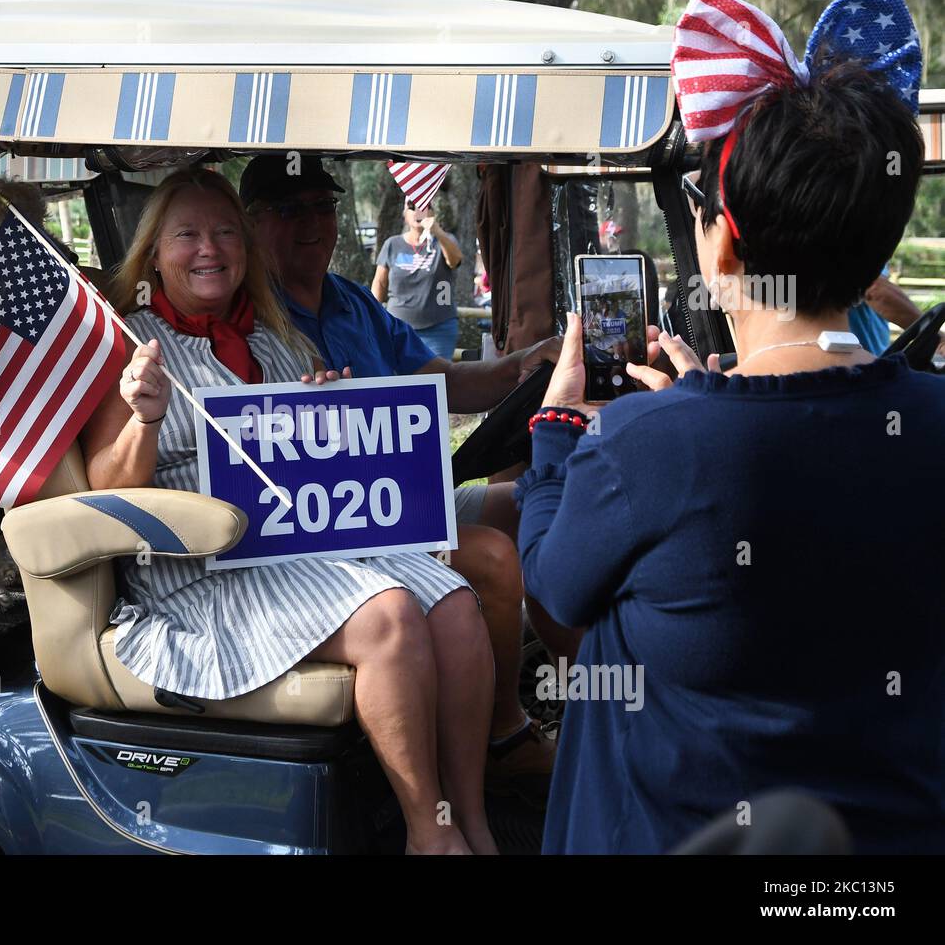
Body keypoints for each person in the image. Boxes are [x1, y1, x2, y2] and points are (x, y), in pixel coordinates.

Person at [517, 53, 945, 853]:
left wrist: (558, 435)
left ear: (721, 251)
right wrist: (706, 405)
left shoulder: (649, 444)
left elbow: (556, 588)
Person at [80, 168, 498, 854]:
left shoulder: (273, 336)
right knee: (390, 616)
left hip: (296, 547)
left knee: (453, 606)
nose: (208, 248)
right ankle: (430, 834)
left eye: (223, 233)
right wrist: (144, 419)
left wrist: (325, 411)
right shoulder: (130, 343)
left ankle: (472, 822)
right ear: (155, 252)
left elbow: (320, 467)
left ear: (245, 247)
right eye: (187, 234)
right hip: (200, 571)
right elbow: (108, 484)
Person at [240, 153, 567, 799]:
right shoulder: (255, 322)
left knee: (539, 508)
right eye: (290, 210)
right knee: (497, 559)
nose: (313, 223)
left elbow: (433, 378)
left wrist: (520, 366)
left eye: (322, 207)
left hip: (413, 500)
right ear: (253, 225)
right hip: (341, 532)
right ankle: (506, 737)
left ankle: (601, 713)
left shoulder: (353, 299)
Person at [372, 200, 463, 360]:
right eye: (411, 207)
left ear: (432, 213)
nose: (417, 211)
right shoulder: (392, 244)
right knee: (400, 381)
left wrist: (437, 232)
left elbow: (455, 261)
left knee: (437, 381)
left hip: (439, 329)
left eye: (423, 206)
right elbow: (379, 283)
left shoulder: (445, 240)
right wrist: (372, 317)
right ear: (404, 214)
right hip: (398, 329)